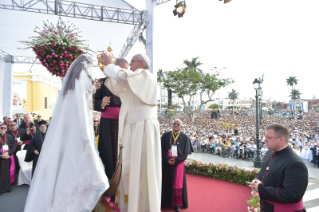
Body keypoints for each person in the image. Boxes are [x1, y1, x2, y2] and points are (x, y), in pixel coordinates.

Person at [24, 55, 109, 212]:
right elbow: (82, 112)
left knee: (64, 167)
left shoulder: (70, 85)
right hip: (77, 134)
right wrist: (85, 137)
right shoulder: (81, 80)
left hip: (66, 135)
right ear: (84, 67)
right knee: (88, 172)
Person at [100, 52, 161, 212]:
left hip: (142, 129)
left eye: (132, 62)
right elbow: (118, 86)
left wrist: (110, 65)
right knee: (132, 166)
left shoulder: (145, 76)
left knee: (140, 167)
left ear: (141, 63)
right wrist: (109, 71)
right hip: (134, 128)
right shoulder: (136, 80)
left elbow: (124, 77)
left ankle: (142, 206)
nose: (129, 65)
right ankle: (130, 204)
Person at [247, 124, 308, 212]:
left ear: (281, 139)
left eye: (269, 137)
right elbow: (263, 173)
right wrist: (256, 179)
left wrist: (260, 188)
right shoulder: (270, 152)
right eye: (265, 137)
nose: (265, 140)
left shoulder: (295, 163)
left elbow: (292, 195)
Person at [94, 58, 127, 182]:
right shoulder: (99, 83)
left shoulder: (125, 82)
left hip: (124, 121)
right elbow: (91, 101)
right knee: (107, 151)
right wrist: (101, 103)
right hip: (107, 123)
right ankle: (108, 181)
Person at [161, 119, 192, 212]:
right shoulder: (165, 136)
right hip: (166, 163)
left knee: (178, 184)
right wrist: (167, 160)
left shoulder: (185, 137)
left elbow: (186, 153)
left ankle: (177, 204)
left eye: (178, 124)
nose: (175, 125)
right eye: (174, 123)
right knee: (165, 182)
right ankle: (165, 202)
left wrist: (176, 161)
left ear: (181, 127)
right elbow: (161, 150)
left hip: (178, 164)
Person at [0, 123, 16, 193]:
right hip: (0, 157)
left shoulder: (9, 136)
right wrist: (1, 154)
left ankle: (6, 188)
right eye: (1, 127)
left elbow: (14, 146)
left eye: (5, 128)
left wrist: (8, 153)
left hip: (7, 157)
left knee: (6, 172)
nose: (3, 129)